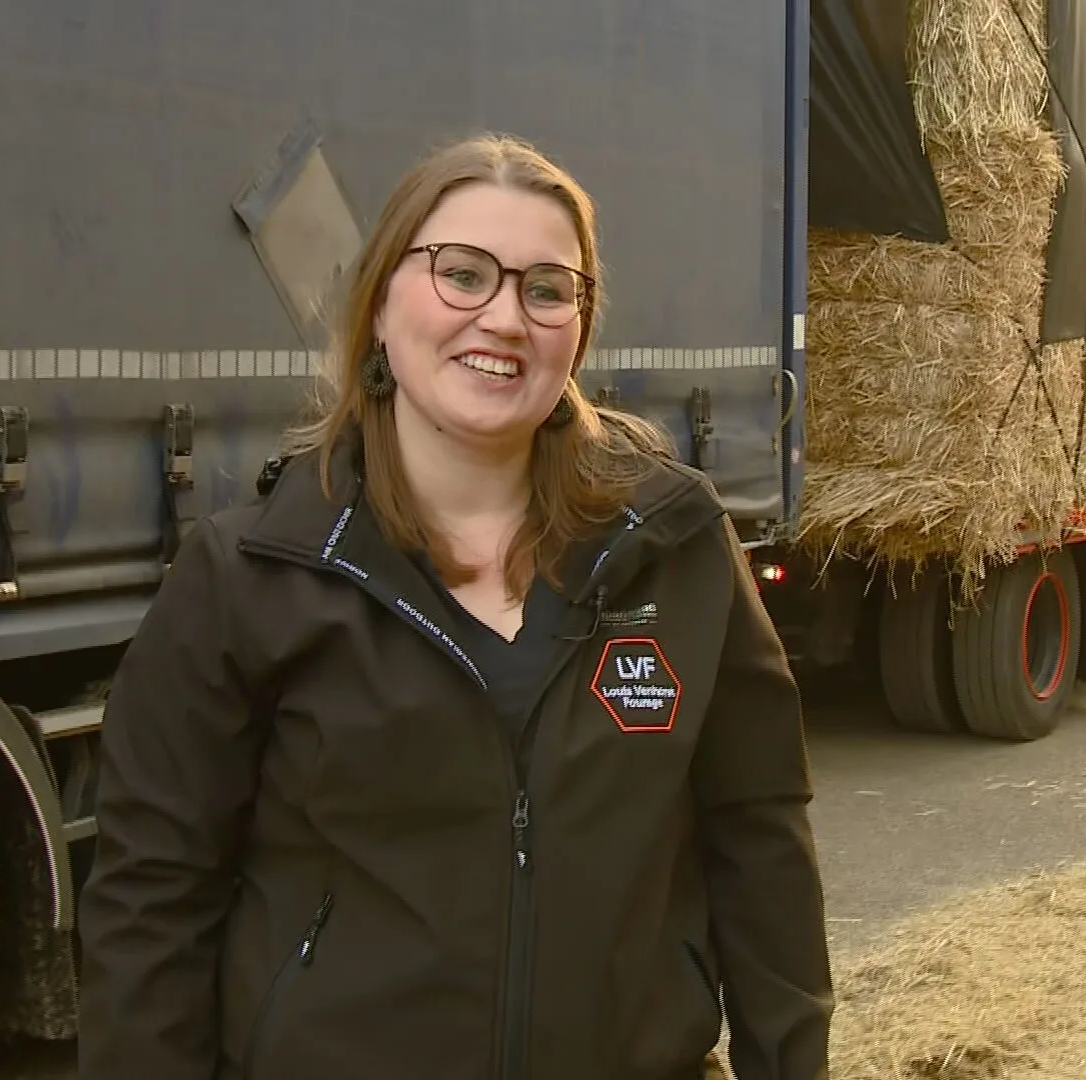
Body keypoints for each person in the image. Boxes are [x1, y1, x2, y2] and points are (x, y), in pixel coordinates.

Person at [77, 133, 833, 1080]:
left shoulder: (675, 547)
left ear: (578, 331)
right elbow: (151, 907)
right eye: (462, 274)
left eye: (547, 289)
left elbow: (761, 842)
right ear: (380, 305)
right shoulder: (250, 576)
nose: (505, 318)